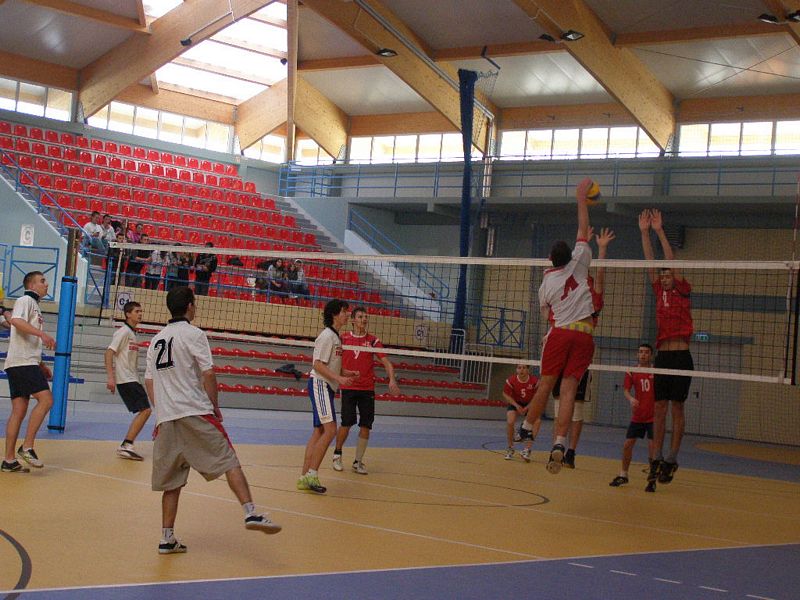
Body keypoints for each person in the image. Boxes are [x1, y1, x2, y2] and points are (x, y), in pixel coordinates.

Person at [144, 286, 281, 554]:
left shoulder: (156, 339)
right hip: (194, 411)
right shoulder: (194, 334)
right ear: (190, 306)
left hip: (167, 419)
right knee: (229, 459)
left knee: (172, 483)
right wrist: (215, 406)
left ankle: (166, 537)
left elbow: (149, 381)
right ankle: (250, 512)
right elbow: (208, 374)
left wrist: (161, 412)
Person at [519, 178, 596, 475]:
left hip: (561, 333)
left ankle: (527, 427)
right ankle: (560, 442)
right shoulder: (581, 261)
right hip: (585, 335)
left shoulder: (546, 284)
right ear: (570, 256)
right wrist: (581, 198)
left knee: (546, 383)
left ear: (551, 259)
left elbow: (546, 315)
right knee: (569, 390)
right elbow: (582, 230)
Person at [550, 227, 614, 469]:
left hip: (580, 348)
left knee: (576, 406)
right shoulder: (564, 283)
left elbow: (600, 276)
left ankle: (571, 451)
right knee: (559, 402)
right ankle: (557, 446)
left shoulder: (591, 291)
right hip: (562, 344)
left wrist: (602, 249)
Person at [639, 208, 694, 485]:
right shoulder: (658, 291)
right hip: (663, 357)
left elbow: (669, 260)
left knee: (677, 408)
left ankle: (672, 458)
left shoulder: (682, 289)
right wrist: (644, 233)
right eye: (662, 276)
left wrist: (659, 231)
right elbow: (650, 263)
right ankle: (657, 457)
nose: (664, 277)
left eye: (668, 275)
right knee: (659, 407)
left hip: (681, 355)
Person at [298, 299, 357, 493]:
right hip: (320, 384)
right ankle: (311, 476)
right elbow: (317, 364)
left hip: (326, 386)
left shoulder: (335, 337)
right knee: (330, 430)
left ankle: (304, 477)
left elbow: (331, 364)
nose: (347, 314)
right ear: (334, 314)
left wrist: (346, 373)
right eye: (344, 311)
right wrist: (339, 378)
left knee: (319, 432)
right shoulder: (326, 336)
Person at [332, 306, 400, 474]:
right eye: (360, 317)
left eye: (365, 317)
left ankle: (358, 461)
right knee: (347, 422)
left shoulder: (372, 340)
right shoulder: (343, 338)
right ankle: (337, 454)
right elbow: (334, 360)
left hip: (367, 389)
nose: (364, 319)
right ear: (353, 320)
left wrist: (392, 379)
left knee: (366, 425)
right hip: (348, 386)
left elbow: (386, 363)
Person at [2, 271, 56, 473]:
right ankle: (27, 447)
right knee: (46, 400)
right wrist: (43, 334)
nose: (46, 284)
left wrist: (41, 365)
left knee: (19, 410)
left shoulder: (34, 305)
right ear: (31, 285)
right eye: (42, 281)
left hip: (21, 362)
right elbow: (16, 321)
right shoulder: (26, 300)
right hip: (23, 363)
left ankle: (8, 460)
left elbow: (24, 335)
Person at [104, 301, 151, 461]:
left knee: (145, 410)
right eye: (137, 311)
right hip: (126, 379)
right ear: (128, 314)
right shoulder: (123, 332)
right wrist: (111, 377)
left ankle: (127, 444)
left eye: (141, 311)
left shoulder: (132, 333)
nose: (140, 314)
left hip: (131, 378)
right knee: (146, 410)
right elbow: (109, 353)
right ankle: (126, 445)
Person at [610, 343, 658, 492]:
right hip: (638, 416)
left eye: (646, 352)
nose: (643, 354)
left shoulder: (657, 371)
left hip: (654, 417)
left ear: (651, 355)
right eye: (641, 352)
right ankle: (623, 475)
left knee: (653, 448)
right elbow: (626, 390)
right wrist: (631, 399)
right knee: (627, 445)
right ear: (637, 354)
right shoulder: (631, 371)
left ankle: (652, 480)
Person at [502, 363, 539, 462]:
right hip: (515, 403)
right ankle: (510, 448)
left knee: (537, 421)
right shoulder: (511, 380)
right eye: (519, 368)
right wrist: (517, 405)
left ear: (528, 370)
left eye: (524, 367)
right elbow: (505, 394)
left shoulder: (535, 381)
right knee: (510, 421)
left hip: (530, 403)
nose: (521, 370)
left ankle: (526, 450)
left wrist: (527, 407)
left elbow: (537, 397)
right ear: (516, 370)